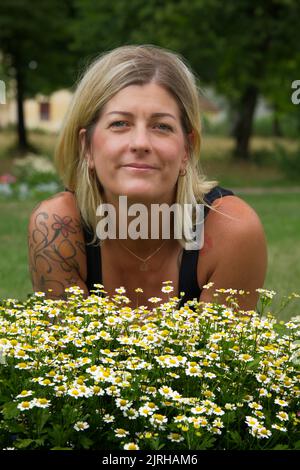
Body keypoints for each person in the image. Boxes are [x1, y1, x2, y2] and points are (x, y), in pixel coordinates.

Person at [27, 45, 267, 310]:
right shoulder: (57, 227)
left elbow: (224, 351)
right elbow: (65, 349)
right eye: (120, 123)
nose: (140, 143)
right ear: (86, 147)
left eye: (161, 126)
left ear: (186, 149)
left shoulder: (232, 230)